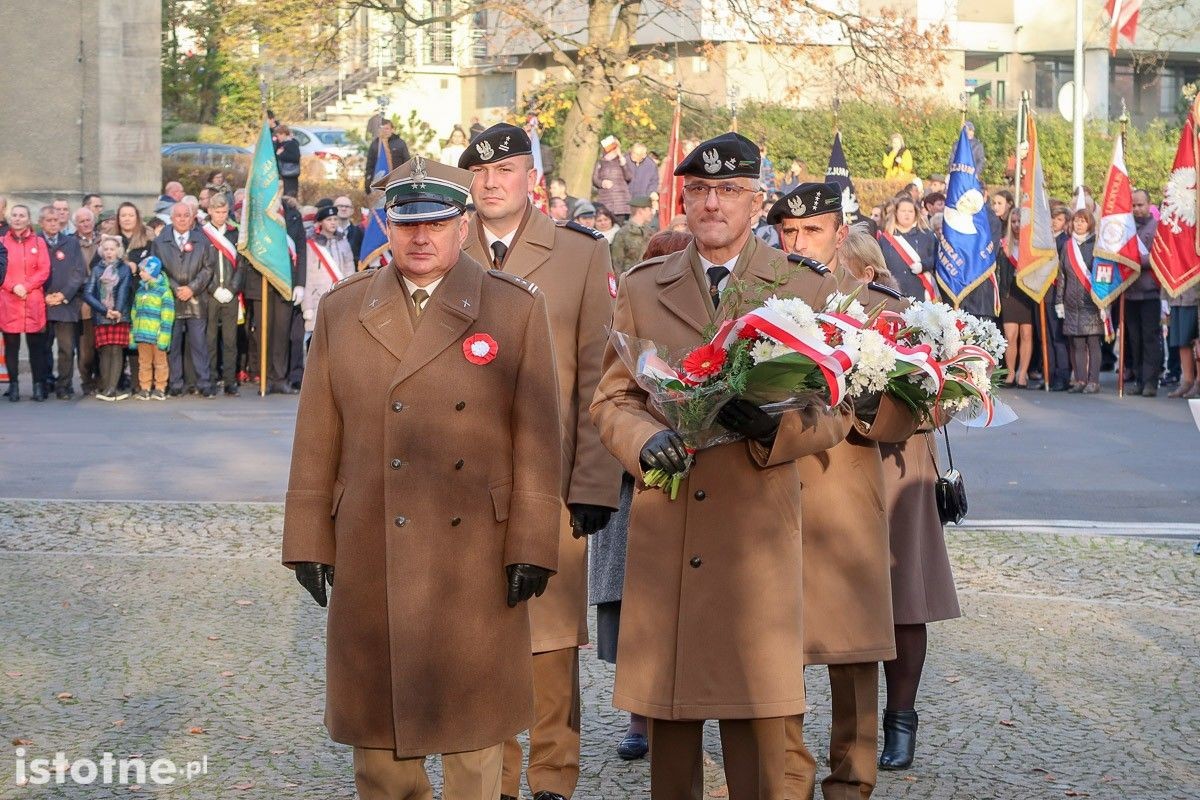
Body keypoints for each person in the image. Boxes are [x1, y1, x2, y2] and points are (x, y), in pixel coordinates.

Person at [282, 155, 562, 800]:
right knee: (378, 742)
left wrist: (532, 545)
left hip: (474, 555)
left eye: (436, 223)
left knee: (475, 736)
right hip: (371, 540)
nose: (421, 237)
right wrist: (307, 539)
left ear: (464, 224)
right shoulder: (346, 308)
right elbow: (317, 432)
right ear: (387, 225)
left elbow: (540, 440)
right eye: (407, 224)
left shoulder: (511, 308)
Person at [591, 133, 852, 800]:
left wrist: (777, 430)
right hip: (668, 525)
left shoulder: (800, 286)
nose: (712, 203)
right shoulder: (647, 287)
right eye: (700, 191)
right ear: (684, 199)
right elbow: (614, 398)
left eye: (729, 190)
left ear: (755, 200)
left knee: (762, 728)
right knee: (671, 733)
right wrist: (641, 441)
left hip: (756, 529)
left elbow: (838, 409)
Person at [459, 123, 622, 800]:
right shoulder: (443, 244)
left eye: (506, 171)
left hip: (547, 479)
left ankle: (553, 777)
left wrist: (593, 483)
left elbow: (597, 375)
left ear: (533, 179)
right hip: (461, 485)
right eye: (480, 173)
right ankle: (490, 778)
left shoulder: (578, 255)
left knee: (551, 640)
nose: (491, 183)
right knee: (477, 637)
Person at [769, 193, 919, 800]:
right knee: (777, 651)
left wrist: (865, 406)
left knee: (853, 657)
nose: (798, 242)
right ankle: (785, 778)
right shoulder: (755, 299)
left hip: (847, 493)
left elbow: (918, 409)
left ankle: (852, 781)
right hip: (771, 493)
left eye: (812, 229)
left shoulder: (877, 309)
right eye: (787, 230)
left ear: (839, 235)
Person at [588, 227, 693, 762]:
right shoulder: (630, 319)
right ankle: (638, 717)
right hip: (636, 480)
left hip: (701, 480)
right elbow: (610, 398)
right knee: (634, 606)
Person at [151, 202, 216, 397]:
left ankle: (204, 383)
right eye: (177, 215)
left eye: (185, 215)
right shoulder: (160, 241)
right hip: (171, 300)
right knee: (173, 345)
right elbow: (157, 269)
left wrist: (191, 288)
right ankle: (175, 384)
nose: (181, 219)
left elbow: (208, 268)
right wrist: (176, 288)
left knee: (199, 345)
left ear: (192, 218)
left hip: (196, 300)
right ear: (171, 218)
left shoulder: (202, 240)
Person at [244, 199, 306, 395]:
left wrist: (300, 283)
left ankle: (279, 377)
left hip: (286, 282)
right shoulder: (256, 214)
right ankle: (265, 377)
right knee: (263, 332)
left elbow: (301, 250)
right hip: (260, 282)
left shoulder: (293, 216)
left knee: (281, 333)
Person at [1, 205, 51, 401]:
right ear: (9, 218)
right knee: (11, 346)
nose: (18, 219)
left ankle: (38, 386)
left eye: (22, 215)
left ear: (29, 219)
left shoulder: (39, 242)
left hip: (32, 300)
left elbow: (44, 269)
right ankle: (13, 386)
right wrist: (13, 286)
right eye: (14, 215)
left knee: (36, 347)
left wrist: (27, 286)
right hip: (9, 299)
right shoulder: (2, 241)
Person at [40, 206, 88, 399]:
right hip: (41, 303)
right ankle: (43, 383)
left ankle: (64, 385)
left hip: (66, 303)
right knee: (42, 347)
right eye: (49, 220)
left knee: (67, 348)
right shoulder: (35, 241)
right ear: (41, 222)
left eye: (56, 220)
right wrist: (43, 295)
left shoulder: (71, 242)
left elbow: (79, 272)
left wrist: (63, 295)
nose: (53, 223)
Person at [81, 235, 134, 401]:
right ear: (101, 251)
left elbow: (125, 290)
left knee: (117, 350)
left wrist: (117, 311)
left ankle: (112, 388)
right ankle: (106, 388)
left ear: (118, 251)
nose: (109, 252)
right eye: (106, 249)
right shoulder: (97, 270)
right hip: (102, 315)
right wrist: (104, 311)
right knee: (105, 351)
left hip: (120, 315)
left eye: (112, 249)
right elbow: (88, 294)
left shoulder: (124, 269)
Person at [201, 195, 244, 395]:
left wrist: (232, 288)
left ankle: (229, 381)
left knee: (230, 340)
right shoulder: (203, 234)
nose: (221, 216)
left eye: (224, 212)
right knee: (209, 339)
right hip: (210, 293)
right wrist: (213, 288)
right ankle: (209, 379)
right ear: (210, 211)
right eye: (217, 212)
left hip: (230, 293)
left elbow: (241, 265)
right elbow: (201, 265)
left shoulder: (235, 234)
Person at [1057, 209, 1103, 393]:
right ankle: (1080, 380)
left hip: (1091, 302)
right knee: (1077, 344)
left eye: (1083, 221)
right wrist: (1059, 301)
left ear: (1089, 223)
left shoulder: (1097, 244)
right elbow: (1062, 275)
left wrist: (1103, 301)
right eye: (1076, 221)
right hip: (1071, 302)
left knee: (1092, 342)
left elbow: (1102, 273)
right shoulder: (1067, 246)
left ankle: (1094, 381)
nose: (1079, 224)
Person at [1126, 189, 1164, 396]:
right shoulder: (1126, 227)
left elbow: (1157, 258)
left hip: (1150, 293)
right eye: (1133, 205)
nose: (1137, 208)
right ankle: (1139, 379)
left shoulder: (1156, 228)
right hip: (1130, 292)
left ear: (1149, 205)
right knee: (1134, 339)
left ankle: (1151, 382)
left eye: (1140, 204)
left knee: (1150, 338)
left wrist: (1132, 260)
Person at [997, 208, 1039, 388]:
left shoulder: (1032, 246)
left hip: (1028, 293)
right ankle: (1011, 373)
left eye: (1019, 222)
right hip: (1010, 293)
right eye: (1013, 222)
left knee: (1027, 334)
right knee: (1011, 335)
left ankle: (1023, 373)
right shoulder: (1004, 245)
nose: (1015, 225)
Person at [302, 205, 354, 341]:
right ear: (320, 223)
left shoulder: (343, 242)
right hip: (317, 299)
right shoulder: (311, 245)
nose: (333, 222)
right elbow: (307, 276)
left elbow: (350, 270)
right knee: (317, 341)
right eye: (329, 219)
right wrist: (306, 306)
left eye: (335, 219)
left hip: (340, 296)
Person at [129, 255, 175, 401]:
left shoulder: (164, 292)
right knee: (144, 362)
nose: (140, 273)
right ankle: (145, 387)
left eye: (143, 271)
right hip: (142, 335)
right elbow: (134, 314)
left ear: (152, 272)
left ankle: (160, 387)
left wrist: (164, 336)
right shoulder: (140, 291)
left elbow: (167, 316)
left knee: (160, 363)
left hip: (157, 335)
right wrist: (133, 333)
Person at [878, 196, 937, 301]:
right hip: (894, 292)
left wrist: (923, 265)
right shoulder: (885, 238)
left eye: (910, 211)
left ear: (915, 213)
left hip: (920, 292)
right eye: (903, 211)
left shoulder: (927, 235)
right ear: (896, 213)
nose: (907, 214)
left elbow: (936, 258)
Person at [592, 137, 635, 220]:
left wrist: (622, 162)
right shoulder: (601, 162)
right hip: (606, 201)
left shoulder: (623, 160)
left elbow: (629, 177)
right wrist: (602, 183)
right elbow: (594, 179)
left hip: (621, 202)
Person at [610, 196, 655, 275]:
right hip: (629, 278)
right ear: (640, 211)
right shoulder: (623, 233)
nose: (651, 213)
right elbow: (616, 263)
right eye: (649, 210)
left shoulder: (651, 232)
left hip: (648, 277)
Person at [363, 119, 412, 192]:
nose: (384, 131)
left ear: (392, 129)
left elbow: (407, 162)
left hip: (397, 182)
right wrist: (367, 182)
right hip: (379, 183)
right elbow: (370, 165)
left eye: (387, 128)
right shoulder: (375, 144)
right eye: (382, 129)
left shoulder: (400, 143)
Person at [274, 125, 302, 198]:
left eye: (278, 136)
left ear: (283, 134)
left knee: (289, 197)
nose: (277, 138)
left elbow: (295, 158)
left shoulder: (292, 144)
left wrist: (281, 155)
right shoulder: (282, 144)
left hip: (290, 175)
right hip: (285, 175)